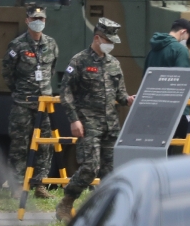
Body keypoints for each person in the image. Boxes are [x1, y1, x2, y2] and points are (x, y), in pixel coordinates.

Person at [55, 17, 135, 224]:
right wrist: (74, 120)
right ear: (97, 38)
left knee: (111, 171)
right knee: (90, 167)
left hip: (111, 124)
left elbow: (120, 94)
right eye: (109, 40)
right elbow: (65, 92)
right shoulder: (79, 61)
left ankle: (106, 211)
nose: (111, 45)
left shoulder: (114, 63)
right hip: (88, 123)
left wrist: (127, 99)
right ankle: (67, 200)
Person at [2, 5, 58, 199]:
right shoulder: (17, 45)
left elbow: (51, 70)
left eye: (41, 18)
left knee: (45, 145)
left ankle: (39, 185)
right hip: (23, 104)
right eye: (34, 18)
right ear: (27, 20)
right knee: (20, 145)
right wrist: (21, 92)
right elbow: (7, 74)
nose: (38, 21)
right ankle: (17, 185)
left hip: (45, 104)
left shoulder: (51, 44)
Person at [144, 18, 190, 153]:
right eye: (187, 39)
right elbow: (183, 83)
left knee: (161, 152)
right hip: (179, 110)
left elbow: (146, 81)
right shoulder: (180, 50)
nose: (186, 42)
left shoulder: (152, 52)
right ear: (183, 32)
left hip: (156, 112)